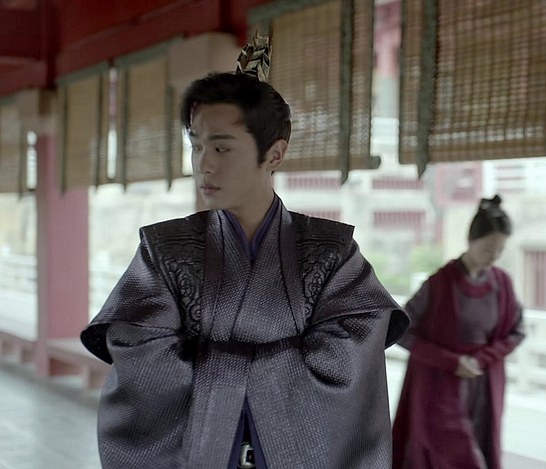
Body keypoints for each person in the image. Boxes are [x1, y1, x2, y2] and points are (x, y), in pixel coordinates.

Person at [80, 35, 408, 469]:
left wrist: (215, 366)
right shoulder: (164, 250)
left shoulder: (331, 251)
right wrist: (276, 363)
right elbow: (141, 355)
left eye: (222, 147)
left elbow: (349, 355)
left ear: (274, 154)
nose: (204, 164)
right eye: (196, 145)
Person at [392, 195, 525, 469]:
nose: (494, 256)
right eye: (488, 248)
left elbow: (516, 331)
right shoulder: (439, 284)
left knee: (482, 446)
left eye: (500, 250)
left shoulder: (502, 283)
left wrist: (482, 359)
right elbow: (401, 330)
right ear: (471, 240)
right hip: (440, 387)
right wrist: (452, 361)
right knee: (453, 456)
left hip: (484, 384)